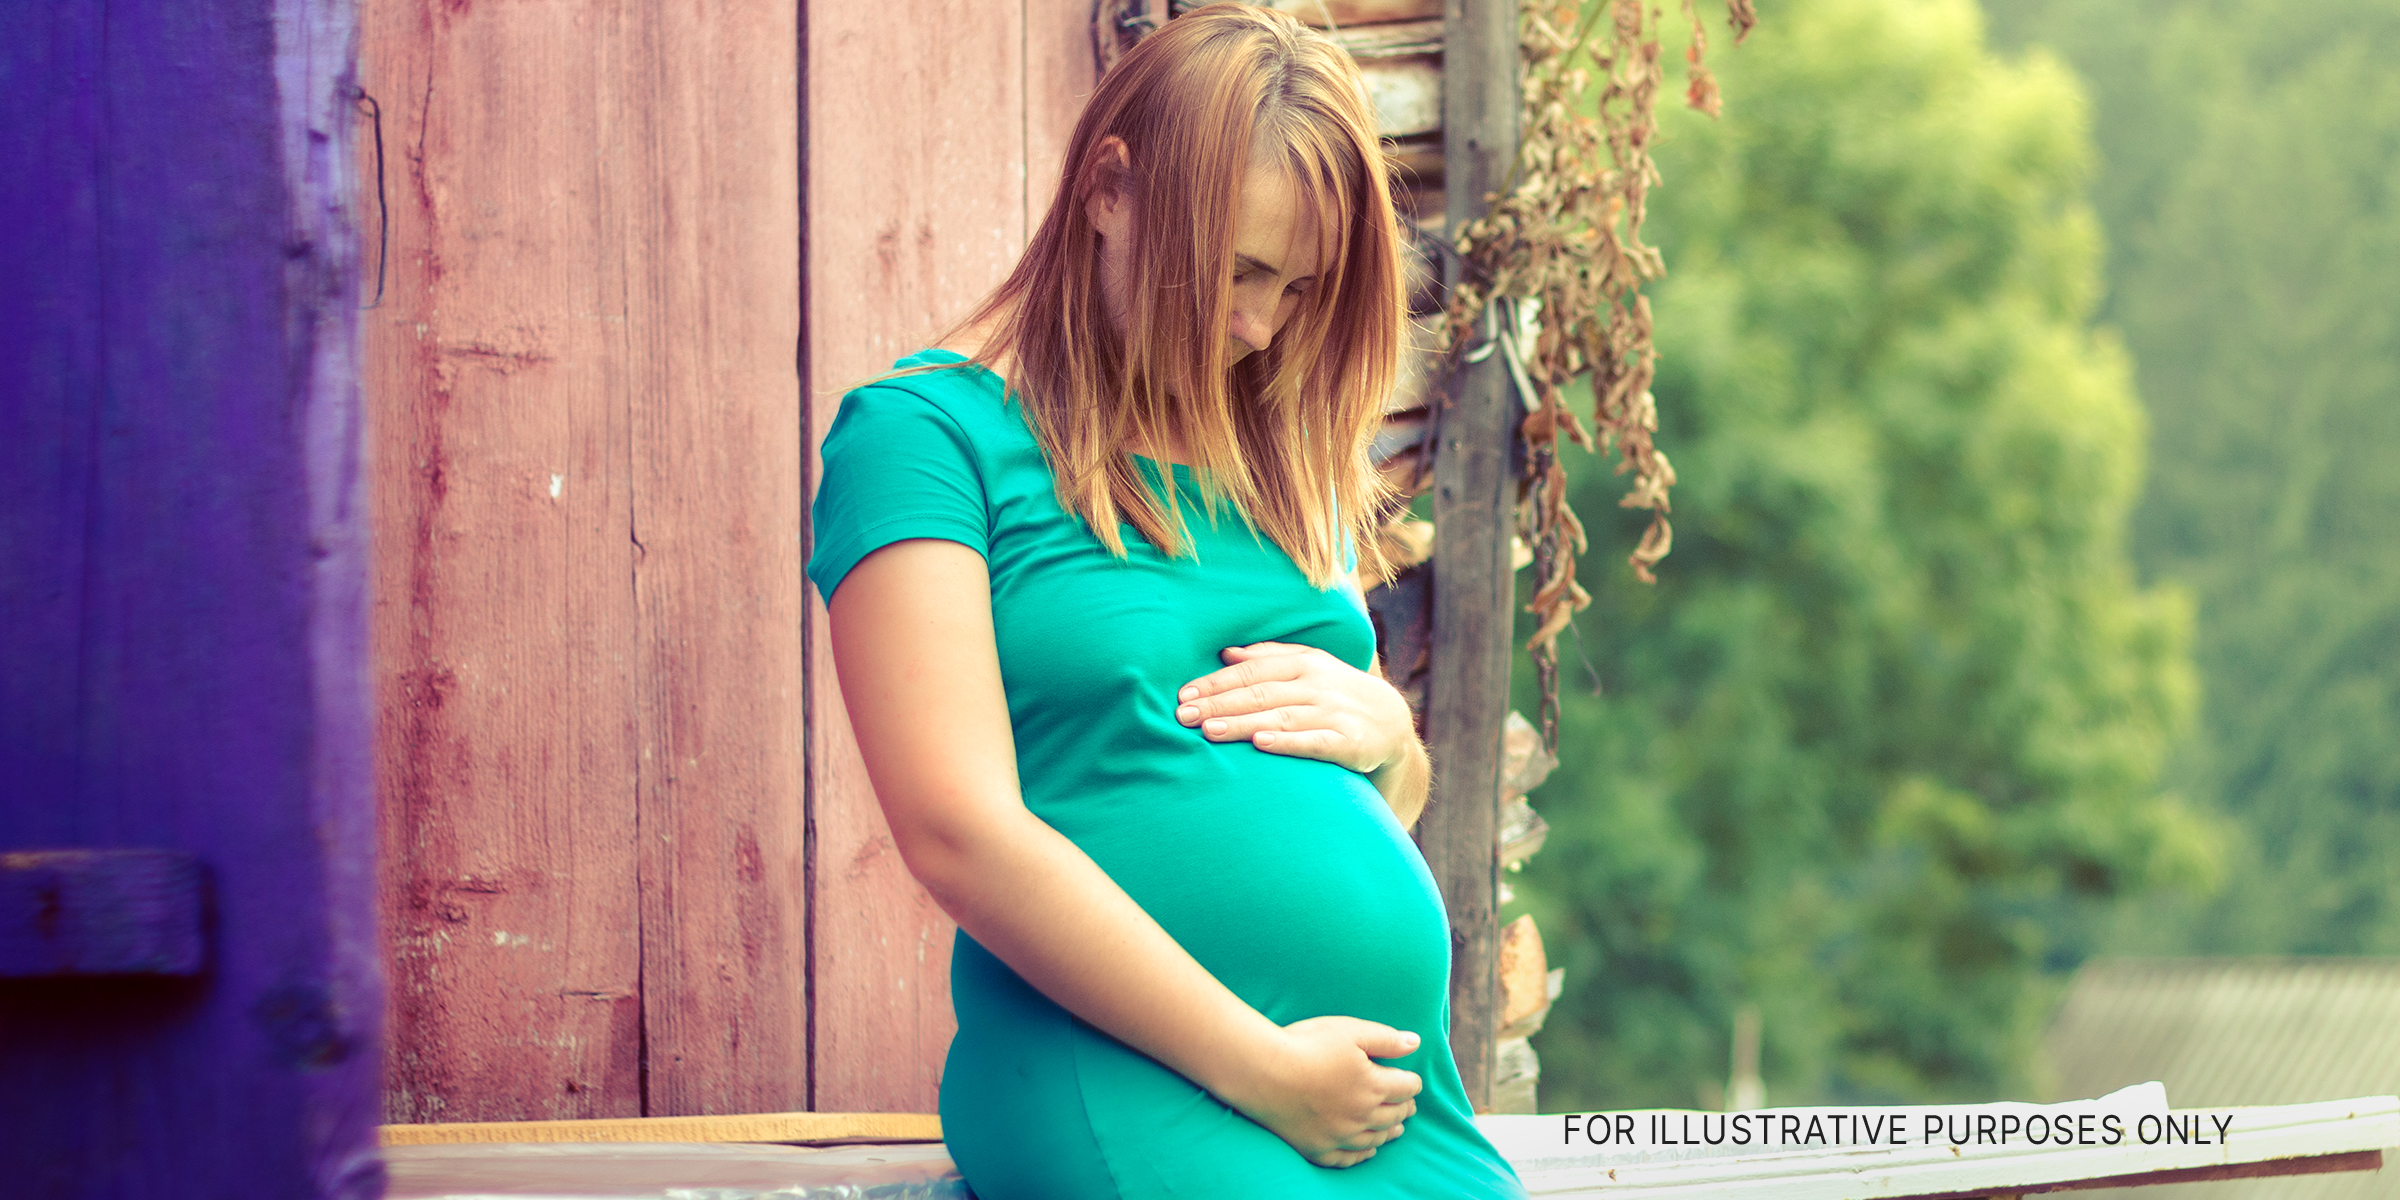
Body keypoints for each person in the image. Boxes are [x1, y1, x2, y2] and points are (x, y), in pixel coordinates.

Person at [805, 6, 1527, 1197]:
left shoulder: (1277, 455)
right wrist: (1261, 1067)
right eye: (1239, 268)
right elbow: (957, 833)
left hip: (1382, 1102)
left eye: (1296, 288)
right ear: (1107, 190)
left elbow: (1360, 790)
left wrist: (1396, 746)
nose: (1258, 325)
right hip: (1137, 1078)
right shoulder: (927, 441)